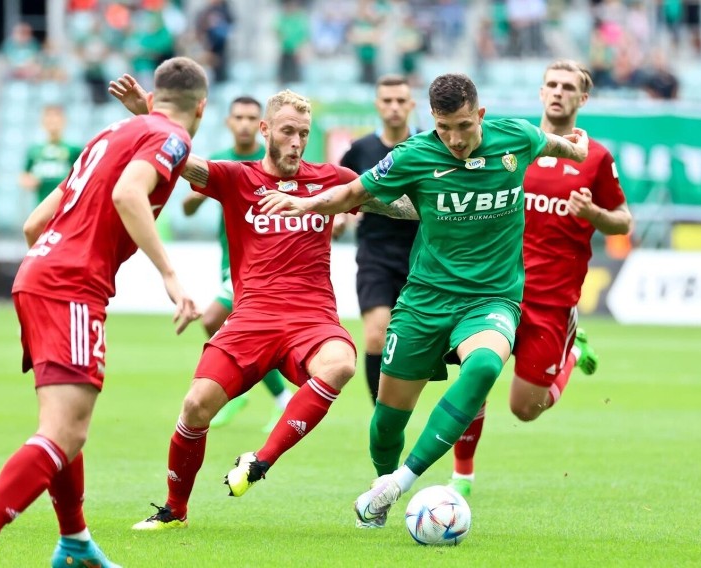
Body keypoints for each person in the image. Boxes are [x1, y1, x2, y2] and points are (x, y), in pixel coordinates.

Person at [260, 72, 590, 528]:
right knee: (385, 425)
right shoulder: (414, 155)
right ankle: (382, 491)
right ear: (431, 120)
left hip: (491, 298)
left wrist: (578, 147)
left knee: (485, 365)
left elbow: (557, 145)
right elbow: (355, 192)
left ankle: (405, 479)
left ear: (481, 115)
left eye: (463, 126)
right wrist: (307, 205)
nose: (454, 139)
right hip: (424, 302)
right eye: (444, 128)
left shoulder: (515, 137)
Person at [107, 75, 417, 531]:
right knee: (195, 408)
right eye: (288, 131)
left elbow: (402, 206)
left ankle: (260, 462)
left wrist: (432, 198)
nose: (297, 142)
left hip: (312, 320)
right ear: (266, 131)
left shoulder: (332, 182)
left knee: (341, 364)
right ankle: (175, 510)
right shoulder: (237, 177)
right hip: (250, 319)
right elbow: (179, 163)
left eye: (304, 134)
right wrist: (148, 115)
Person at [0, 56, 207, 568]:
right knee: (65, 431)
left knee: (61, 424)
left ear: (154, 97)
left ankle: (75, 543)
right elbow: (128, 192)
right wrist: (171, 277)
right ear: (202, 106)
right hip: (70, 287)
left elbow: (32, 225)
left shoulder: (109, 133)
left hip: (37, 275)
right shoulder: (172, 138)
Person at [448, 60, 633, 497]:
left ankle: (570, 354)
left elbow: (623, 222)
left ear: (582, 99)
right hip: (496, 290)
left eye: (568, 87)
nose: (558, 92)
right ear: (540, 92)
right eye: (551, 84)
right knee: (474, 376)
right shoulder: (514, 145)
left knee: (524, 409)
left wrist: (594, 215)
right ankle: (462, 476)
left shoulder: (596, 159)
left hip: (552, 300)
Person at [182, 95, 292, 430]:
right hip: (230, 262)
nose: (244, 124)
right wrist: (198, 196)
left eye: (250, 118)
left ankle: (263, 395)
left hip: (263, 265)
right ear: (229, 123)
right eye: (238, 117)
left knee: (214, 318)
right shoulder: (219, 163)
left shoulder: (272, 162)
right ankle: (265, 395)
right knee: (238, 331)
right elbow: (186, 210)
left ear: (262, 126)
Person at [338, 74, 419, 404]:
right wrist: (341, 218)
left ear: (411, 105)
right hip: (375, 255)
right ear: (377, 105)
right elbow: (343, 193)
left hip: (421, 256)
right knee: (376, 336)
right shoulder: (360, 151)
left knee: (426, 344)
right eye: (388, 100)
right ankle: (381, 416)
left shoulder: (426, 147)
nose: (394, 107)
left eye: (401, 101)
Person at [20, 105, 83, 207]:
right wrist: (29, 181)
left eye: (56, 118)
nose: (52, 122)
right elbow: (24, 175)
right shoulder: (34, 150)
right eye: (49, 119)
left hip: (66, 205)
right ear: (42, 122)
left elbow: (83, 175)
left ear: (64, 121)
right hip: (41, 205)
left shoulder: (74, 149)